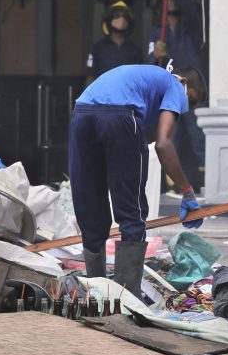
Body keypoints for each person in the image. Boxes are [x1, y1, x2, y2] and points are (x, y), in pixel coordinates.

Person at [69, 64, 207, 299]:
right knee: (131, 208)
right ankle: (126, 298)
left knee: (89, 203)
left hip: (81, 113)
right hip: (120, 117)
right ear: (184, 82)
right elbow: (163, 144)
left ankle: (95, 292)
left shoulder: (147, 79)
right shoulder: (174, 84)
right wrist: (187, 192)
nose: (187, 108)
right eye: (192, 100)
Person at [147, 0, 206, 194]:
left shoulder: (189, 27)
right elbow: (148, 63)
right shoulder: (156, 33)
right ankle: (174, 183)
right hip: (170, 92)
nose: (170, 1)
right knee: (172, 135)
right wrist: (155, 55)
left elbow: (190, 10)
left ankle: (205, 181)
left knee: (197, 133)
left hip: (191, 90)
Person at [85, 1, 143, 86]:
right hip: (103, 96)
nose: (121, 19)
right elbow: (90, 77)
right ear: (109, 20)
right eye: (117, 16)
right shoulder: (97, 48)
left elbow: (140, 79)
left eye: (125, 17)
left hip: (127, 97)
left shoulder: (135, 50)